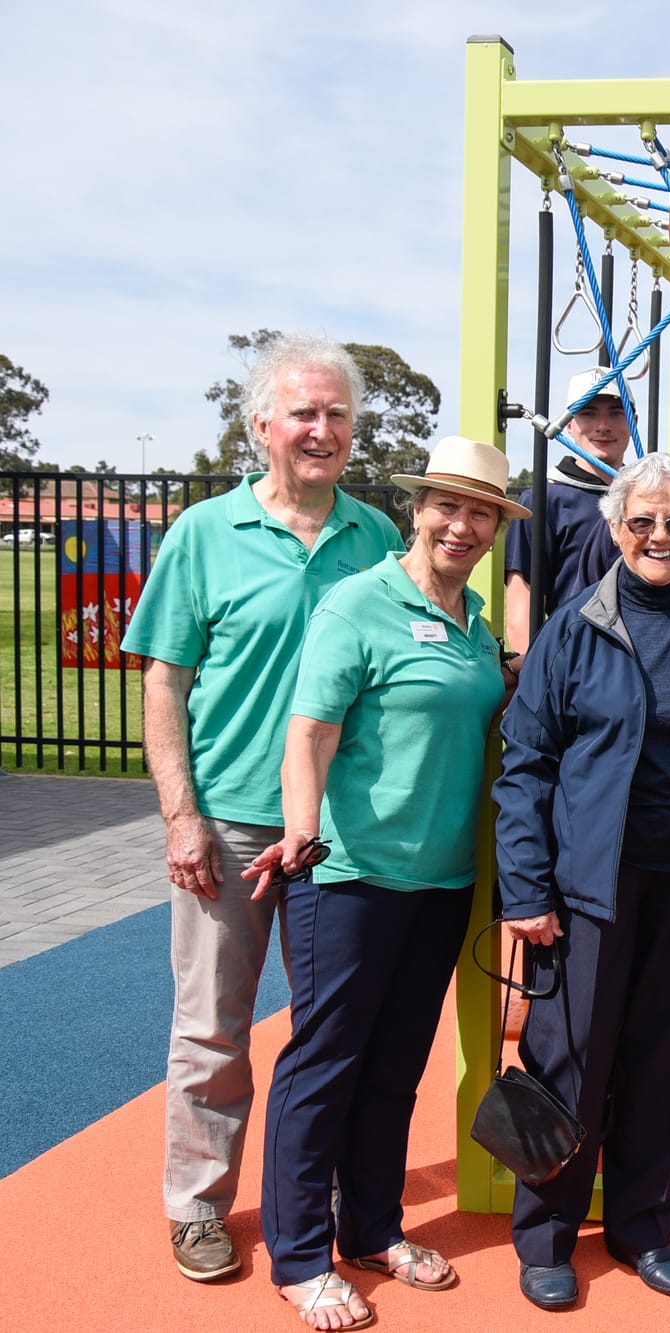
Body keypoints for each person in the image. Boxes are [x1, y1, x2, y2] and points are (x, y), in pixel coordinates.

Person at [121, 333, 404, 1285]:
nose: (321, 429)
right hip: (237, 817)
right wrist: (180, 815)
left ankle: (314, 1182)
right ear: (261, 427)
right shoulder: (204, 534)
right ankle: (199, 1201)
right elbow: (166, 684)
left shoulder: (378, 536)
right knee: (213, 1021)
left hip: (339, 826)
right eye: (303, 413)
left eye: (336, 414)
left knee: (336, 1024)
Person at [244, 437, 524, 1330]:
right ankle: (297, 1257)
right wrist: (299, 830)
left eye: (480, 511)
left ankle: (370, 1227)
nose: (462, 523)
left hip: (441, 881)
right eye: (448, 504)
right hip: (349, 875)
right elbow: (310, 732)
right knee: (324, 1063)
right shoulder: (358, 602)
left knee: (397, 1066)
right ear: (419, 508)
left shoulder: (476, 623)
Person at [494, 452, 670, 1312]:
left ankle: (644, 1225)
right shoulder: (574, 626)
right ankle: (545, 1234)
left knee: (663, 1059)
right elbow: (527, 764)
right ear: (617, 528)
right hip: (589, 888)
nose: (661, 535)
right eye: (644, 521)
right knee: (568, 1059)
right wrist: (526, 887)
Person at [503, 366, 631, 652]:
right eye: (587, 413)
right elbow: (522, 608)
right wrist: (538, 676)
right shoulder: (544, 500)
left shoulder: (645, 498)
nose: (602, 425)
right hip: (574, 657)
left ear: (632, 420)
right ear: (569, 425)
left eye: (615, 412)